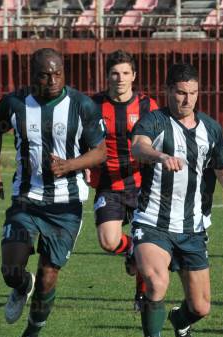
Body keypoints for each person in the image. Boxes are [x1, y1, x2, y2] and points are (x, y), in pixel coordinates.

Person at [130, 62, 223, 337]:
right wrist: (161, 156)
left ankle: (180, 321)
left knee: (201, 307)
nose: (186, 100)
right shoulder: (155, 121)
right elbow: (138, 147)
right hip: (153, 222)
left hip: (193, 228)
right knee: (157, 282)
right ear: (168, 92)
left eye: (192, 93)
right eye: (180, 93)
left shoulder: (210, 129)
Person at [0, 48, 106, 337]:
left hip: (66, 204)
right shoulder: (15, 103)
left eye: (57, 74)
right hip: (26, 197)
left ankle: (31, 334)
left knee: (50, 272)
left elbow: (100, 152)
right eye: (44, 74)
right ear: (32, 75)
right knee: (11, 268)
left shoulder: (82, 106)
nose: (52, 80)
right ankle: (21, 284)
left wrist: (71, 165)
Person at [90, 50, 158, 311]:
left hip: (142, 184)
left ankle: (142, 294)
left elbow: (160, 138)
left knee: (145, 241)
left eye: (125, 73)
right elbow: (82, 138)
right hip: (109, 184)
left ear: (134, 76)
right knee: (108, 241)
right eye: (115, 73)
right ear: (107, 76)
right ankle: (130, 250)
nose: (120, 78)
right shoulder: (93, 105)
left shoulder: (147, 106)